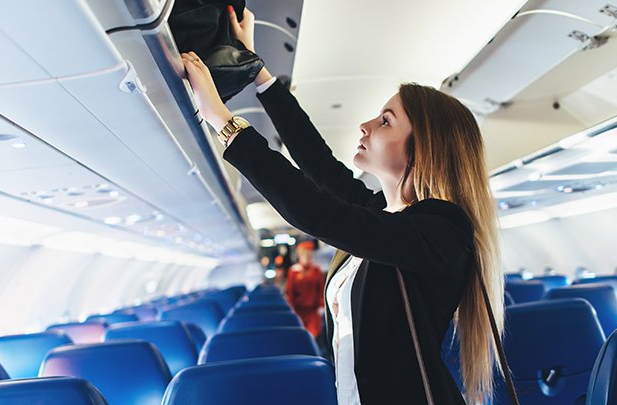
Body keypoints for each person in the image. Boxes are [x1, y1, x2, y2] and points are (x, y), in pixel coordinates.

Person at [181, 6, 503, 404]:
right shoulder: (384, 218)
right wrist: (257, 71)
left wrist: (223, 120)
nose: (366, 126)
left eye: (386, 121)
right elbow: (318, 166)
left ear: (425, 150)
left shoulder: (441, 230)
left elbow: (315, 212)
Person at [285, 240, 325, 338]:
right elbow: (290, 293)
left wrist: (321, 306)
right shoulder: (293, 271)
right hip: (298, 311)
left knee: (313, 336)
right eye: (305, 255)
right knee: (300, 336)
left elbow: (321, 290)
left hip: (313, 312)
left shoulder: (316, 270)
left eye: (309, 255)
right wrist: (292, 311)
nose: (308, 257)